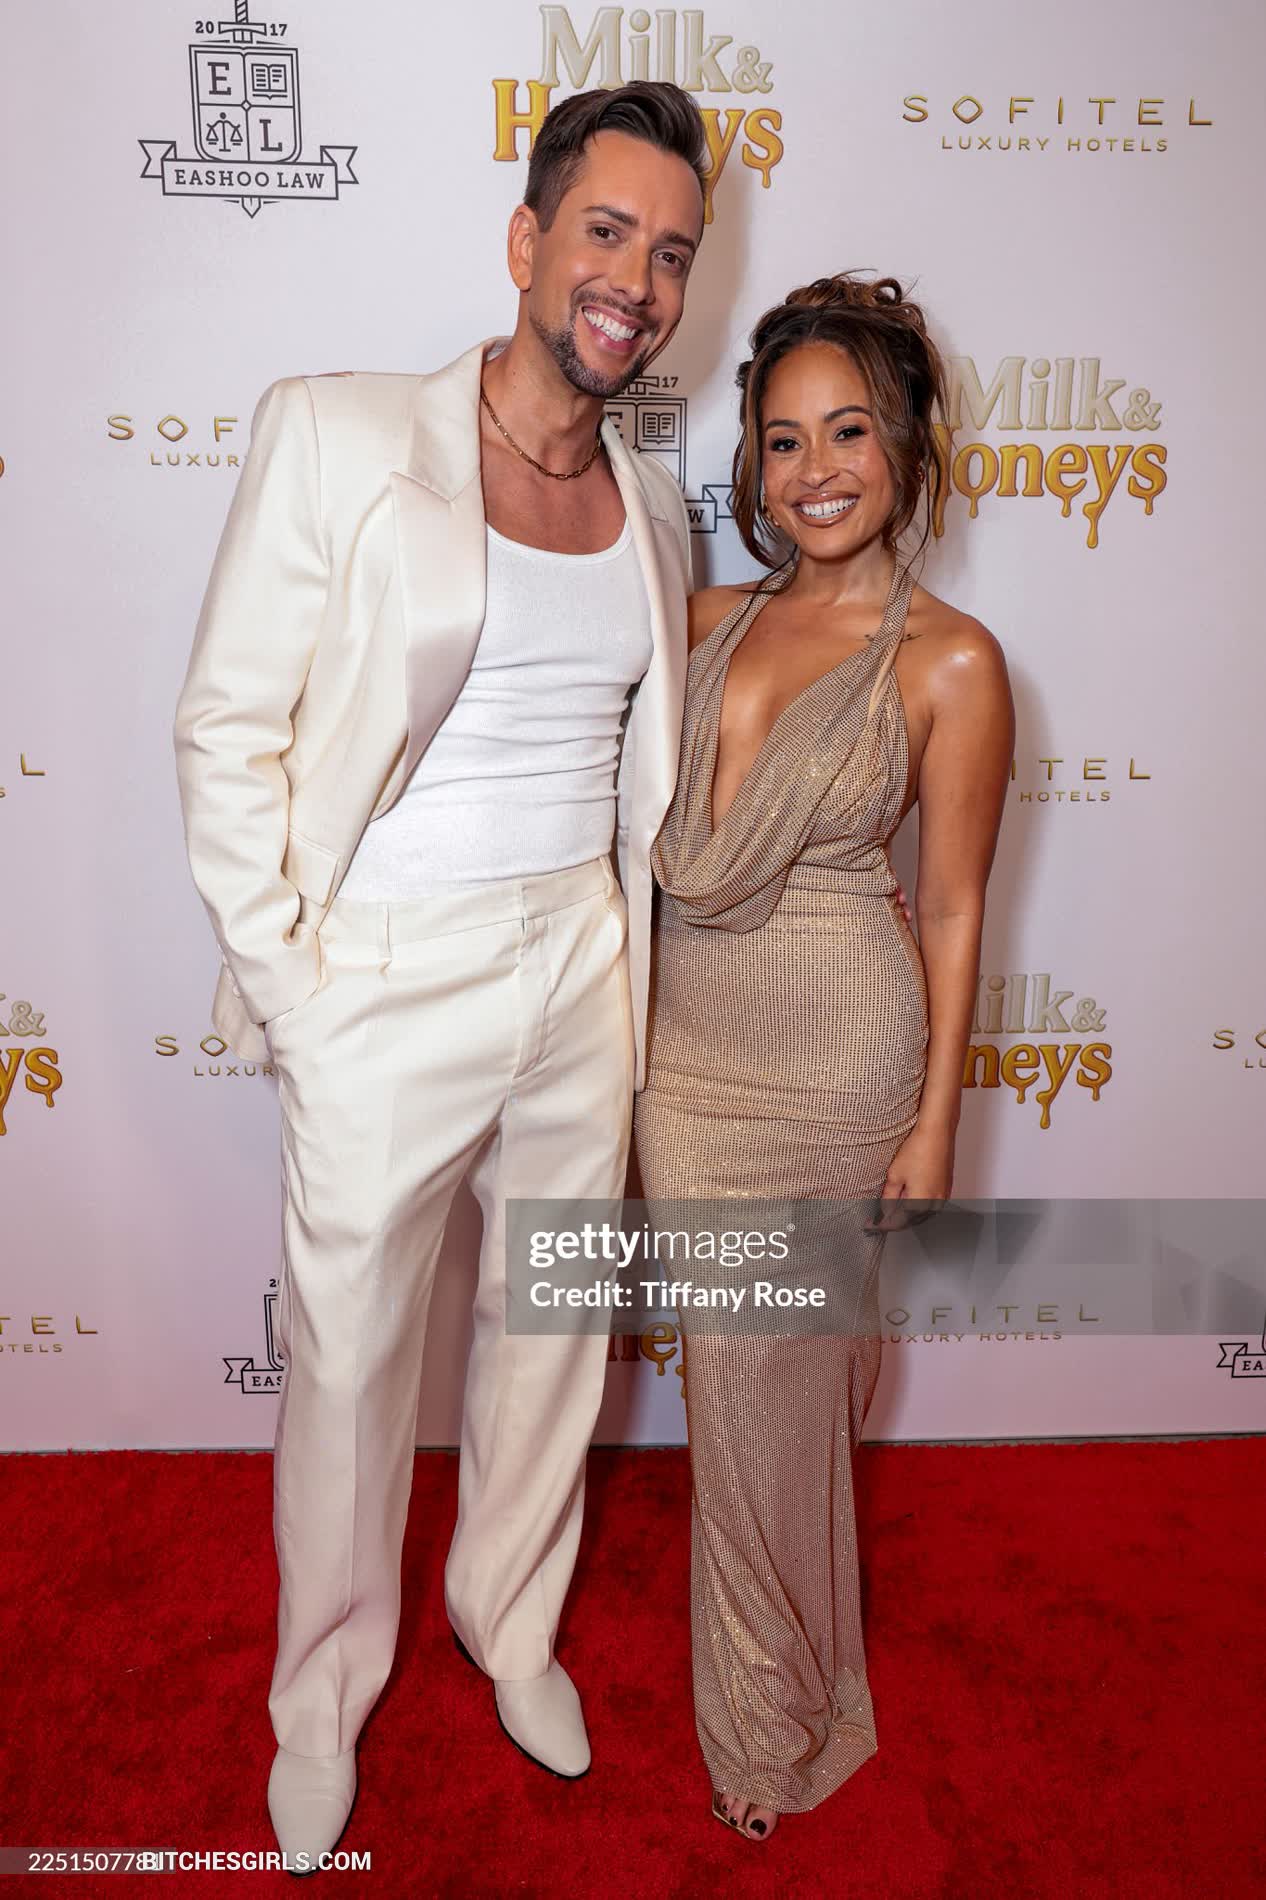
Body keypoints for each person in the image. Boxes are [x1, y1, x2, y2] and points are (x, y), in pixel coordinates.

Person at [173, 81, 707, 1867]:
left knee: (550, 1329)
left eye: (672, 254)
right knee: (344, 1367)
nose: (635, 279)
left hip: (581, 966)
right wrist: (297, 988)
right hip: (386, 974)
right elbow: (225, 727)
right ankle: (321, 1699)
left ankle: (509, 1620)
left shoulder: (653, 507)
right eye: (607, 232)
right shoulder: (337, 434)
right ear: (528, 241)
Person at [634, 274, 1015, 1841]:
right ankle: (782, 1671)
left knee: (768, 1393)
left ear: (905, 444)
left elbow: (954, 905)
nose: (815, 470)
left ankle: (772, 1720)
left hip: (834, 1067)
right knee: (748, 1401)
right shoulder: (701, 621)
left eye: (848, 431)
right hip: (682, 1064)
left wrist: (931, 1127)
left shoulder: (952, 663)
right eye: (784, 440)